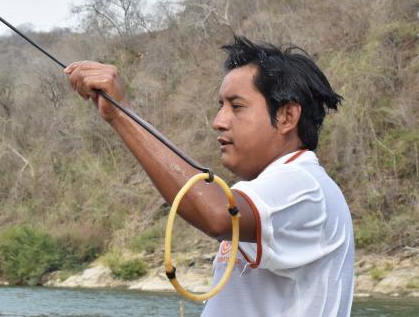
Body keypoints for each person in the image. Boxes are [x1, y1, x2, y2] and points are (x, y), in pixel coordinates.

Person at [64, 36, 354, 317]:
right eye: (220, 106)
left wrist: (121, 114)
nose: (218, 121)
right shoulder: (269, 188)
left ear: (287, 116)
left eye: (236, 106)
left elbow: (217, 213)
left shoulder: (304, 184)